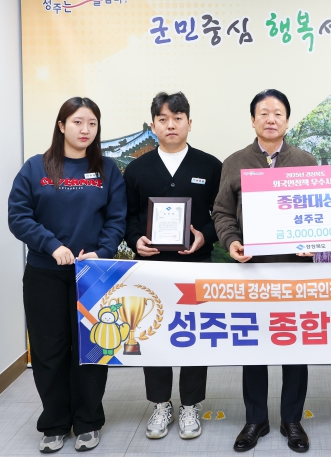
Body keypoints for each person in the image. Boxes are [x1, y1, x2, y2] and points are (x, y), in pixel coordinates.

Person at [8, 97, 126, 453]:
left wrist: (102, 251)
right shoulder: (35, 167)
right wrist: (51, 245)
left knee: (91, 348)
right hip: (45, 274)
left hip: (92, 275)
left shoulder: (107, 169)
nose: (85, 129)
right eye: (77, 122)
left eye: (92, 123)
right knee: (49, 350)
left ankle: (88, 421)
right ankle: (55, 423)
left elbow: (116, 219)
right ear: (61, 125)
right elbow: (19, 216)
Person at [212, 89, 315, 453]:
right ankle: (256, 419)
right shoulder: (235, 161)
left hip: (295, 271)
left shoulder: (305, 161)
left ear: (287, 120)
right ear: (253, 120)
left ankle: (292, 419)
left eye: (278, 113)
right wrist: (231, 242)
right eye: (264, 113)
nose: (271, 119)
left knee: (294, 347)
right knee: (253, 346)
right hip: (252, 271)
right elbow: (222, 212)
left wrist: (315, 242)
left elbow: (318, 213)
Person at [122, 91, 222, 441]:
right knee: (154, 333)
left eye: (178, 118)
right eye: (163, 119)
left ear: (189, 123)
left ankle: (191, 404)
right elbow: (128, 216)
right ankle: (161, 403)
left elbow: (222, 214)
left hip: (196, 266)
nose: (171, 125)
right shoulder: (137, 169)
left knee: (193, 334)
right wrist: (135, 239)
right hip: (151, 269)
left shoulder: (210, 166)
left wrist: (204, 236)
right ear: (153, 126)